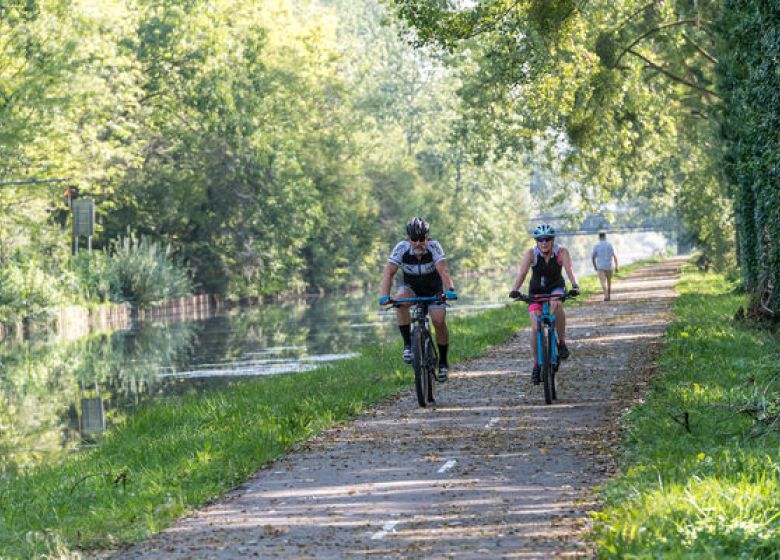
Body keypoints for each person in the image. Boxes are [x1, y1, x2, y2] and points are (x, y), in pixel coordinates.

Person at [379, 217, 457, 381]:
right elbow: (388, 273)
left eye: (422, 239)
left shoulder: (434, 247)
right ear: (408, 239)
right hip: (411, 288)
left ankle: (442, 362)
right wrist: (384, 296)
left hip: (433, 289)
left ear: (427, 237)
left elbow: (444, 271)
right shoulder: (401, 248)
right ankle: (408, 345)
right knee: (400, 301)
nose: (418, 243)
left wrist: (450, 289)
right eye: (414, 239)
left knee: (439, 321)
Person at [509, 223, 579, 385]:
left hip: (556, 287)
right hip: (536, 291)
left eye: (547, 239)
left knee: (557, 303)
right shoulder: (531, 254)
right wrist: (515, 290)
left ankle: (561, 342)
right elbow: (522, 274)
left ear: (553, 240)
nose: (544, 242)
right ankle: (536, 365)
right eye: (540, 239)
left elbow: (569, 270)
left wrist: (575, 286)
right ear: (536, 241)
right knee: (535, 328)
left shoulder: (562, 252)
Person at [592, 230, 618, 301]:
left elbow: (593, 257)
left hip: (600, 266)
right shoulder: (610, 245)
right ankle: (608, 295)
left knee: (603, 281)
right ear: (605, 237)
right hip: (609, 266)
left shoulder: (596, 245)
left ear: (599, 237)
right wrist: (616, 266)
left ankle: (606, 296)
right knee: (609, 281)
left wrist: (595, 267)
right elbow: (614, 256)